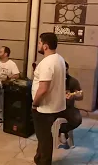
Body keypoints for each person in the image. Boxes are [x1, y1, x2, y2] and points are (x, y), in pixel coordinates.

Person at [32, 32, 66, 165]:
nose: (39, 46)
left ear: (45, 46)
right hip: (55, 105)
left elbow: (43, 88)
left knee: (44, 137)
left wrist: (35, 103)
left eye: (40, 43)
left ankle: (44, 162)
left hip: (44, 107)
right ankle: (39, 158)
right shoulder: (60, 59)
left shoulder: (47, 63)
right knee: (44, 136)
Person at [59, 61, 83, 147]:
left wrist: (74, 96)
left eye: (66, 70)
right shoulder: (53, 80)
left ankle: (63, 130)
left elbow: (80, 95)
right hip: (54, 107)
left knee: (77, 119)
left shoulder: (72, 81)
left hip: (67, 108)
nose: (64, 72)